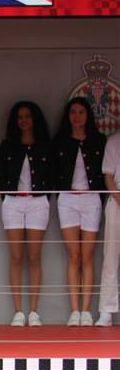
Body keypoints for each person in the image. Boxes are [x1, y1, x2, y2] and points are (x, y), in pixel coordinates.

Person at [0, 101, 54, 327]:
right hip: (12, 202)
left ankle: (34, 312)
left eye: (27, 116)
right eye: (20, 117)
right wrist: (9, 198)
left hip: (38, 202)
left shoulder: (45, 146)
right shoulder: (7, 145)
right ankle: (18, 312)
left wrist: (41, 197)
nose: (23, 120)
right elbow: (1, 176)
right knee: (16, 257)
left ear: (35, 119)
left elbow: (51, 176)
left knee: (33, 257)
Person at [53, 97, 106, 327]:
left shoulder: (98, 141)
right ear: (68, 115)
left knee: (87, 256)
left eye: (81, 112)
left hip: (91, 199)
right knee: (73, 256)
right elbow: (53, 171)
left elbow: (105, 173)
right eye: (73, 112)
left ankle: (87, 311)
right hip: (67, 199)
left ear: (88, 116)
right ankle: (74, 311)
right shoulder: (60, 142)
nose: (77, 116)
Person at [97, 130, 120, 327]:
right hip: (117, 200)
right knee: (111, 255)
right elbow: (108, 176)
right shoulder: (114, 141)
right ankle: (106, 311)